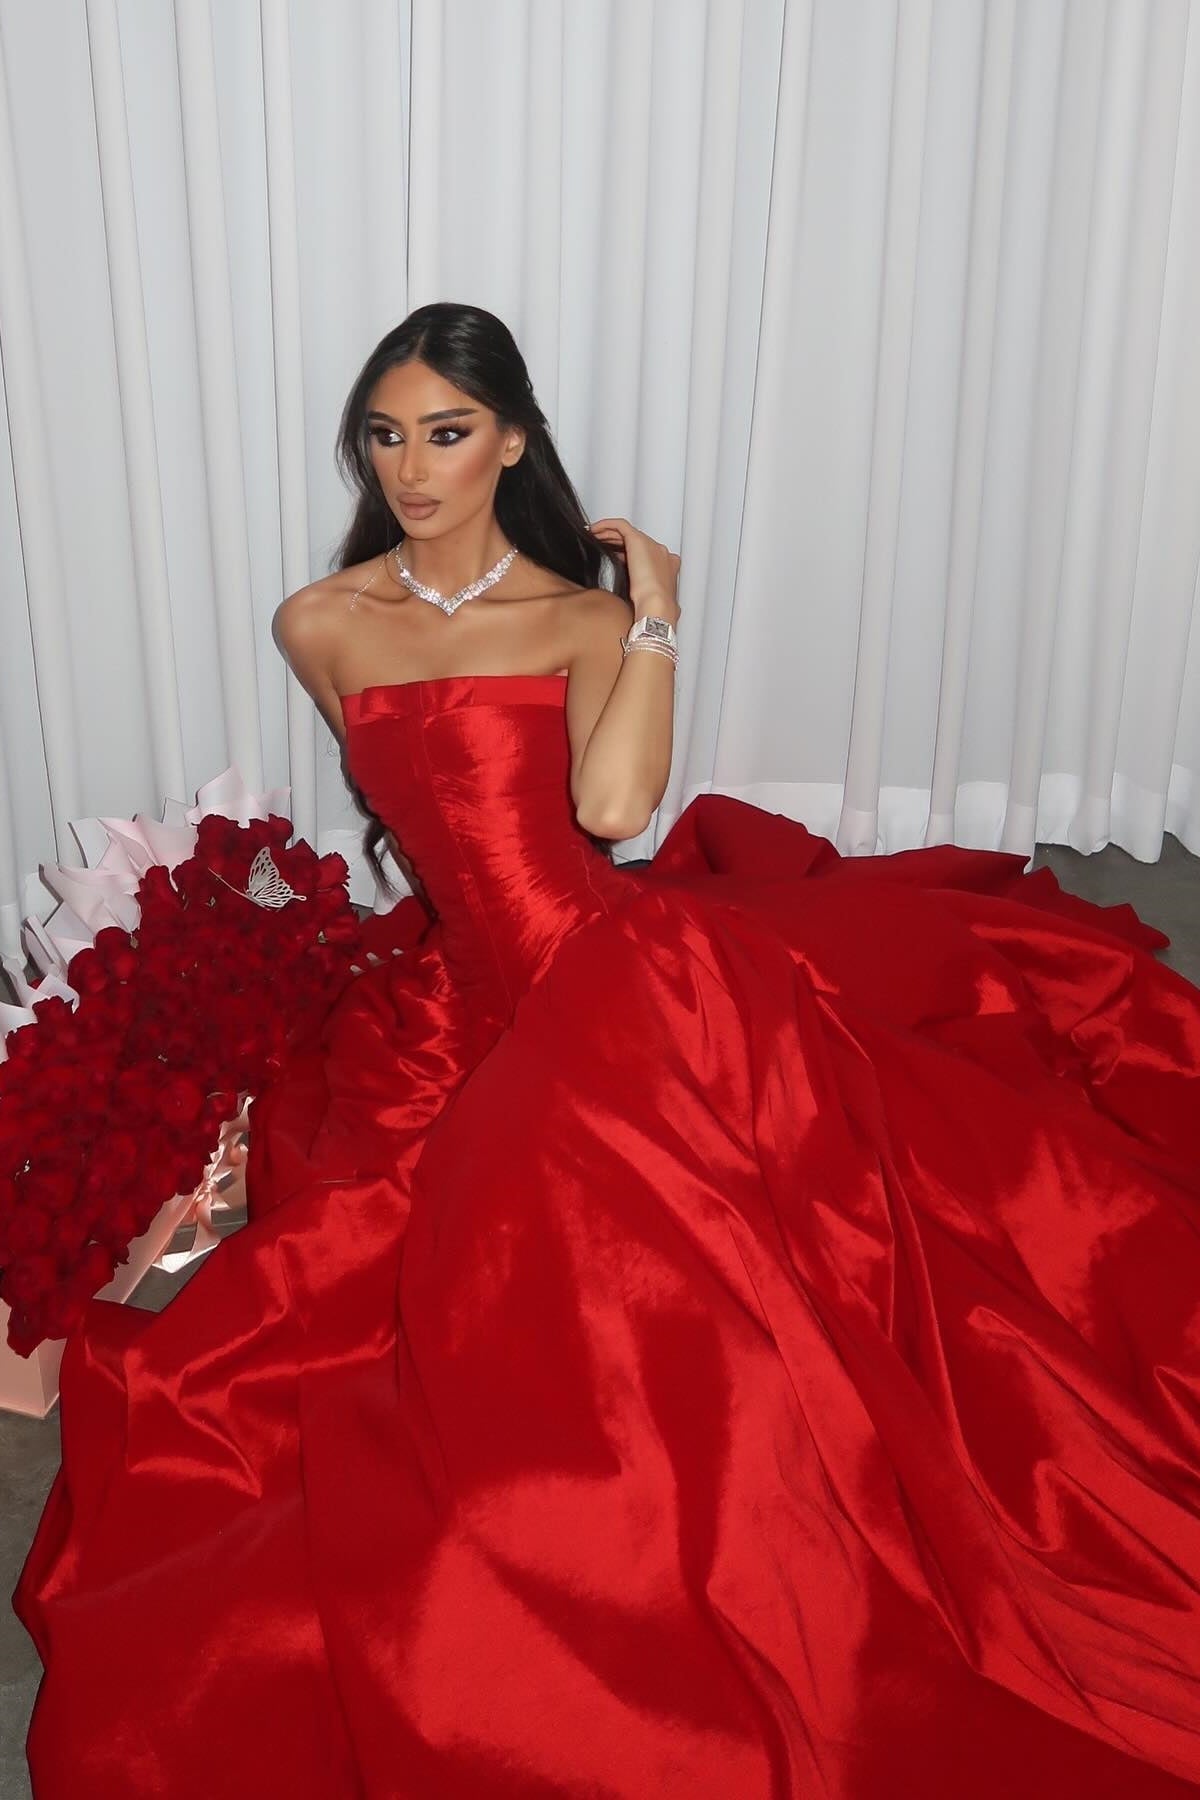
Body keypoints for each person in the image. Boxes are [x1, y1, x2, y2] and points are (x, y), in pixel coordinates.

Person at [13, 302, 1200, 1798]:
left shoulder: (583, 619)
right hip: (451, 998)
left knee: (662, 1279)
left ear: (513, 441)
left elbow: (616, 814)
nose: (412, 469)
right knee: (377, 1308)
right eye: (387, 437)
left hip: (606, 976)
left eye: (449, 433)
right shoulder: (319, 620)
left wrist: (655, 613)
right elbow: (412, 814)